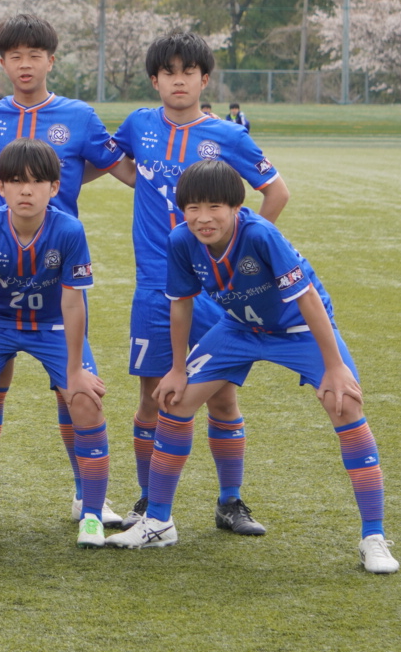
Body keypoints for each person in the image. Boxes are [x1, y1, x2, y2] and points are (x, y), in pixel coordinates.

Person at [105, 160, 398, 574]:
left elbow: (308, 298)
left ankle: (374, 537)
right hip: (238, 328)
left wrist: (334, 366)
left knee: (345, 403)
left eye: (214, 207)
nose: (203, 218)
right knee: (175, 400)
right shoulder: (181, 240)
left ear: (236, 207)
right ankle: (158, 522)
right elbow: (181, 304)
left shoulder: (260, 234)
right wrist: (177, 368)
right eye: (193, 208)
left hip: (297, 329)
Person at [110, 32, 290, 534]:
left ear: (204, 79)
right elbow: (114, 162)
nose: (179, 81)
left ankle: (230, 502)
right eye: (168, 72)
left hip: (214, 292)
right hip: (154, 286)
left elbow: (276, 191)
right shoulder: (139, 125)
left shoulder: (228, 136)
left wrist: (243, 250)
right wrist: (139, 180)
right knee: (153, 396)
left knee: (222, 397)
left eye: (189, 72)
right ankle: (148, 501)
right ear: (154, 80)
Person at [0, 13, 132, 526]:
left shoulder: (78, 116)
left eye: (34, 56)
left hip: (57, 270)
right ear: (2, 62)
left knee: (74, 388)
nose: (25, 65)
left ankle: (88, 496)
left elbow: (123, 168)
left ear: (51, 61)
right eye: (15, 56)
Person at [0, 138, 108, 546]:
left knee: (86, 400)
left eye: (36, 182)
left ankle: (91, 514)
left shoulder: (69, 230)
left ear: (54, 187)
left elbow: (73, 303)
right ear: (0, 187)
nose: (26, 190)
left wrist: (75, 371)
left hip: (52, 325)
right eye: (15, 181)